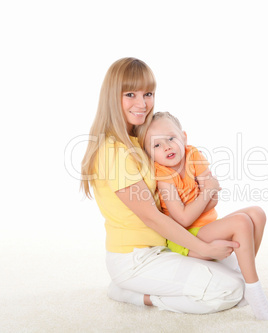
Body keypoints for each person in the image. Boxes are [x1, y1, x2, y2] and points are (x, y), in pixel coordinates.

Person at [80, 57, 245, 315]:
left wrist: (204, 188)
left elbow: (176, 193)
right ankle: (135, 295)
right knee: (229, 290)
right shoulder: (113, 152)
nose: (142, 103)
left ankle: (143, 286)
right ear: (113, 96)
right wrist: (202, 248)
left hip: (164, 247)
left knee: (239, 279)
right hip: (135, 259)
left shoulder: (139, 140)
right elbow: (152, 217)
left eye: (148, 93)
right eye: (130, 94)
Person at [136, 111, 268, 320]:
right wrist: (207, 191)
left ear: (183, 137)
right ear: (149, 153)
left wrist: (205, 196)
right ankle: (253, 288)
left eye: (171, 138)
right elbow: (183, 219)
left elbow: (214, 199)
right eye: (156, 145)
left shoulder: (193, 155)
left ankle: (241, 274)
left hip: (206, 228)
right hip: (186, 238)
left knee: (257, 213)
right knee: (241, 222)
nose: (166, 146)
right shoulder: (163, 174)